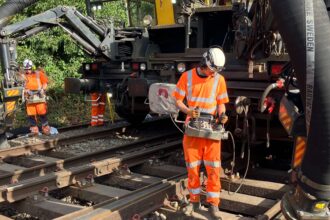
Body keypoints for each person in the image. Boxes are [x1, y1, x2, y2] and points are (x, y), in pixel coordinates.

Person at [172, 47, 229, 219]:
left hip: (210, 126)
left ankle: (213, 205)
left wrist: (222, 115)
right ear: (204, 63)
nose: (212, 73)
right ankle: (194, 201)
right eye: (211, 69)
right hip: (193, 127)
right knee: (193, 168)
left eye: (215, 71)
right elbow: (177, 100)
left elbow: (221, 103)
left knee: (213, 168)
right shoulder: (187, 77)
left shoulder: (219, 79)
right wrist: (188, 112)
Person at [23, 59, 50, 135]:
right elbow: (21, 87)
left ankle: (45, 128)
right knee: (31, 114)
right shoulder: (23, 76)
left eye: (29, 69)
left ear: (32, 67)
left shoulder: (39, 74)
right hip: (29, 97)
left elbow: (45, 83)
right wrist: (25, 91)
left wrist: (43, 89)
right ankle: (34, 129)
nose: (27, 71)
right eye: (26, 69)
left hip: (39, 96)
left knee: (42, 112)